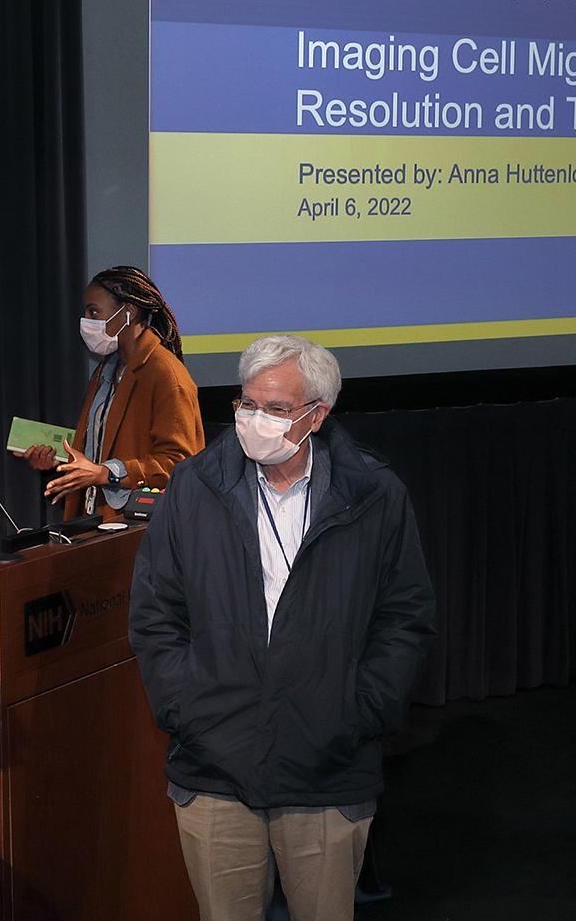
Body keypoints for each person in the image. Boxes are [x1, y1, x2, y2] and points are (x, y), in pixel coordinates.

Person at [129, 334, 436, 921]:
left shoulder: (373, 496)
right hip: (214, 766)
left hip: (327, 770)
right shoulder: (194, 488)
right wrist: (185, 706)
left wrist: (358, 712)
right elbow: (154, 613)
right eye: (248, 404)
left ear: (317, 416)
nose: (254, 420)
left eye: (276, 409)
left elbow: (405, 617)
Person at [17, 265, 205, 522]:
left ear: (128, 312)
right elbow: (101, 446)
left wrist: (108, 473)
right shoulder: (108, 369)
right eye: (85, 312)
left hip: (142, 529)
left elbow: (180, 464)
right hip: (98, 522)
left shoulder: (166, 375)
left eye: (94, 312)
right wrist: (61, 460)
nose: (87, 321)